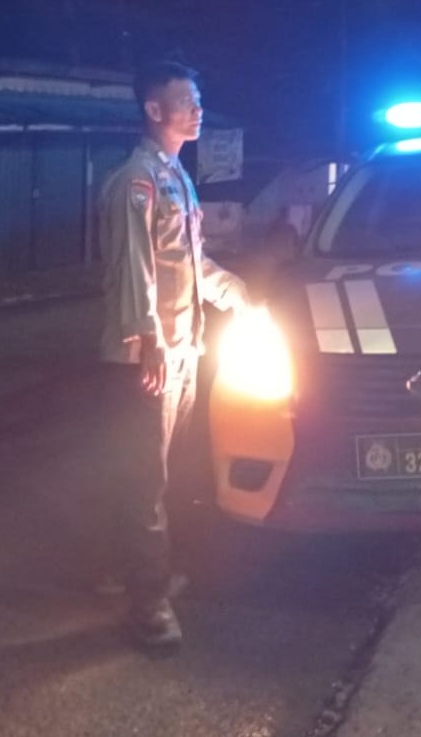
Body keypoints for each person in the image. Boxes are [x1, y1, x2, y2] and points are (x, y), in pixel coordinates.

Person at [98, 60, 248, 649]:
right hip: (149, 357)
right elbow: (134, 271)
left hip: (183, 350)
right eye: (185, 100)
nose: (197, 109)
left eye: (198, 98)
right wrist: (151, 343)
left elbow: (189, 262)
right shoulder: (135, 182)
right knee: (146, 481)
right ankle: (148, 602)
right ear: (154, 109)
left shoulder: (177, 177)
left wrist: (237, 294)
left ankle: (142, 574)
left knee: (166, 475)